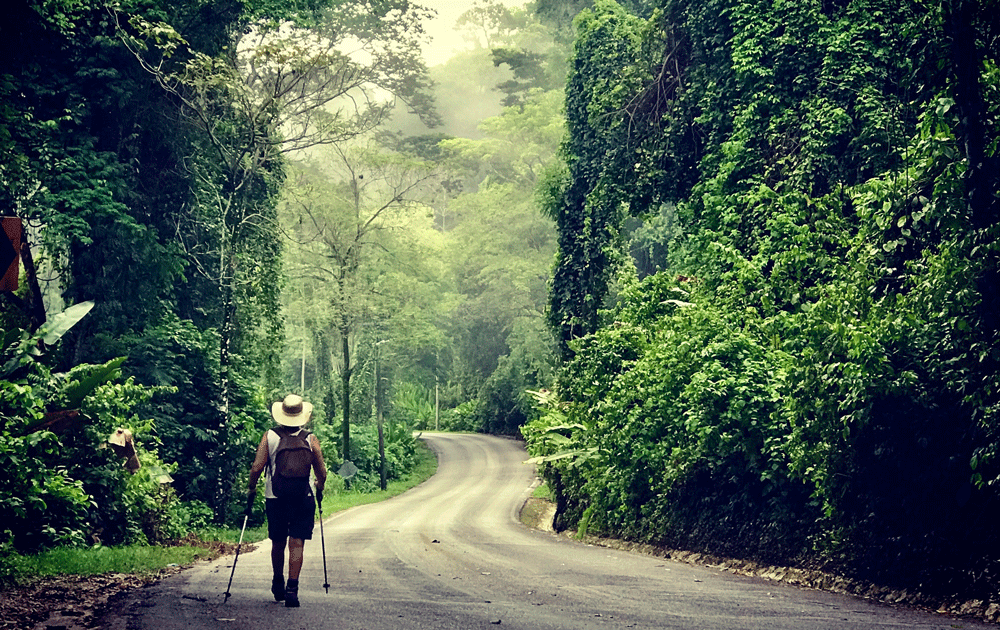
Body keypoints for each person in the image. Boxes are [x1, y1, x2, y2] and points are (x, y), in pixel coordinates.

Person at [246, 394, 327, 607]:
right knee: (297, 542)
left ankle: (277, 581)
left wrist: (252, 487)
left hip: (275, 497)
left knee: (278, 541)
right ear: (302, 416)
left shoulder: (269, 437)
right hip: (303, 496)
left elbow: (256, 467)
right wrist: (320, 486)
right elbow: (322, 470)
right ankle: (293, 589)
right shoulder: (310, 439)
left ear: (281, 414)